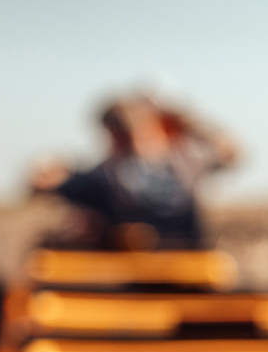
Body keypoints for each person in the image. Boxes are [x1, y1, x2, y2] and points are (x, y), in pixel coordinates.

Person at [31, 95, 239, 250]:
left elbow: (230, 153)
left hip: (178, 270)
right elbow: (230, 152)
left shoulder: (106, 176)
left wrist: (186, 118)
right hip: (153, 272)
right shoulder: (187, 164)